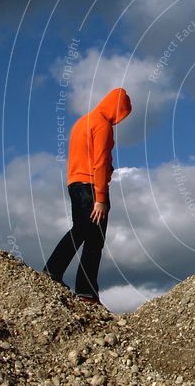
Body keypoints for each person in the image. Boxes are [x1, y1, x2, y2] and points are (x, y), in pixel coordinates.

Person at [44, 87, 132, 304]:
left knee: (81, 230)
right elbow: (100, 162)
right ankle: (86, 293)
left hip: (74, 184)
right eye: (122, 113)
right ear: (117, 108)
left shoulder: (82, 121)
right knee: (94, 241)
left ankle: (53, 272)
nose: (120, 119)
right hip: (92, 188)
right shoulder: (102, 125)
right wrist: (101, 198)